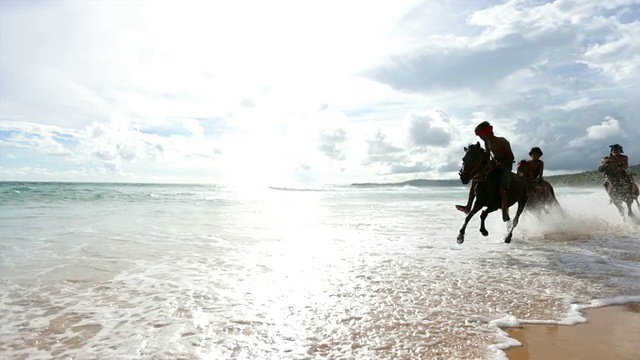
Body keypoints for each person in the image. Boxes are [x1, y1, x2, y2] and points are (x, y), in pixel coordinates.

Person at [455, 121, 515, 221]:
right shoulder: (486, 142)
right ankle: (468, 206)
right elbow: (487, 155)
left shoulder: (502, 142)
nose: (480, 138)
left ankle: (504, 211)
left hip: (505, 166)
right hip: (494, 165)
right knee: (476, 180)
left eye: (481, 135)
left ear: (487, 132)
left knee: (501, 186)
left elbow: (510, 158)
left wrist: (498, 165)